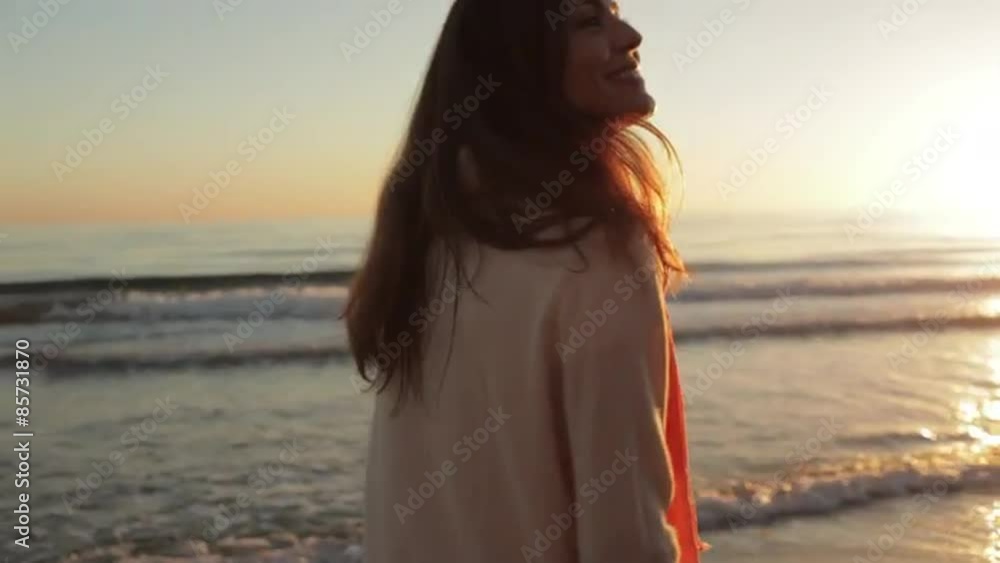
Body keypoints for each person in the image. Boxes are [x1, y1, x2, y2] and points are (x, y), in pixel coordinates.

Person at [344, 0, 707, 561]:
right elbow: (626, 537)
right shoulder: (594, 249)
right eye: (589, 22)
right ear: (517, 60)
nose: (629, 35)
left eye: (614, 12)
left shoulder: (423, 240)